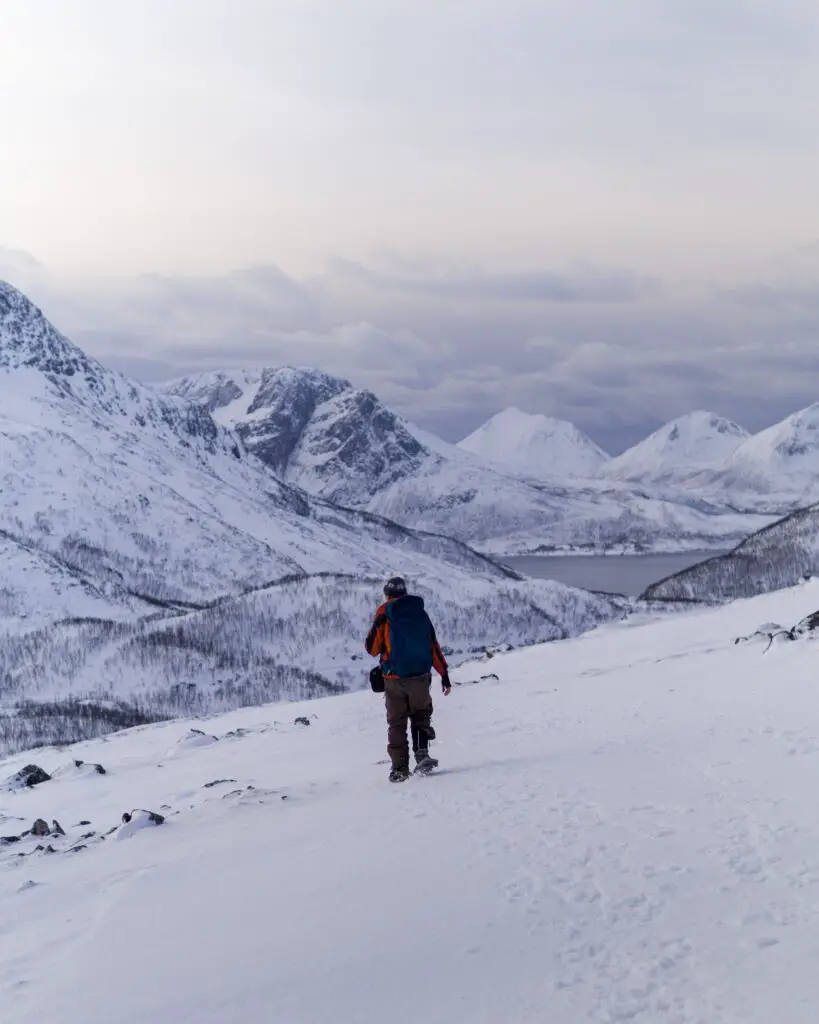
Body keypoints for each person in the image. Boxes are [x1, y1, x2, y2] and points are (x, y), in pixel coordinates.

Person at [365, 576, 451, 782]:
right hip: (421, 676)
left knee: (397, 723)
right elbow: (433, 646)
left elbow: (371, 648)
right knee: (421, 716)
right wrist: (444, 675)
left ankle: (399, 769)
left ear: (387, 595)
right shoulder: (420, 614)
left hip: (394, 678)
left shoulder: (385, 615)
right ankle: (422, 755)